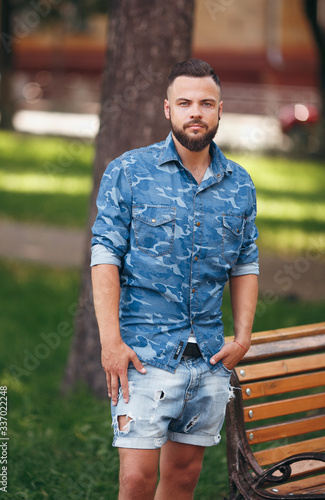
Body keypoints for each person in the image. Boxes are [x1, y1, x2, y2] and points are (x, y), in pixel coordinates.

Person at [91, 58, 259, 499]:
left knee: (183, 479)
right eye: (184, 102)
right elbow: (105, 255)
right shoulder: (128, 172)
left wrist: (242, 337)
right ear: (168, 109)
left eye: (206, 103)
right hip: (143, 356)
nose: (195, 112)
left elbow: (245, 262)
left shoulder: (239, 184)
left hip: (208, 357)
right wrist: (111, 343)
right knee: (136, 480)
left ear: (221, 110)